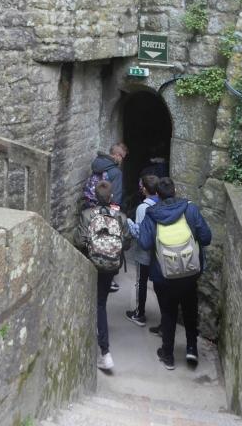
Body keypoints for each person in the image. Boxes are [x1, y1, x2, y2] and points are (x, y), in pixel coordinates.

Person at [138, 177, 211, 371]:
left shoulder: (151, 214)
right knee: (189, 311)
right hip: (189, 273)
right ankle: (191, 349)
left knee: (168, 314)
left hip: (163, 275)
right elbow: (206, 237)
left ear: (157, 195)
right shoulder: (190, 209)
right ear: (175, 190)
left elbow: (144, 243)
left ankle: (168, 355)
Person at [75, 180, 131, 371]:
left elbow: (79, 241)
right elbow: (127, 243)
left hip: (90, 263)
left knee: (91, 299)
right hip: (110, 267)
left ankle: (102, 347)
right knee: (100, 303)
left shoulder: (87, 215)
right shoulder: (120, 216)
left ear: (94, 197)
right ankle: (104, 352)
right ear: (111, 197)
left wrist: (94, 249)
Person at [89, 143, 128, 292]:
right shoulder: (116, 172)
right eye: (123, 157)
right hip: (107, 211)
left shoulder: (97, 163)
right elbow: (116, 197)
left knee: (94, 240)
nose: (123, 160)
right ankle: (108, 279)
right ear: (117, 155)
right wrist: (116, 214)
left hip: (92, 208)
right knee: (109, 242)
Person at [126, 174, 159, 326]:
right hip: (158, 251)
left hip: (144, 252)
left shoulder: (142, 208)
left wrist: (127, 222)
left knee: (141, 282)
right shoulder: (162, 203)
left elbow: (138, 232)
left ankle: (139, 313)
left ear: (144, 189)